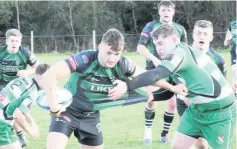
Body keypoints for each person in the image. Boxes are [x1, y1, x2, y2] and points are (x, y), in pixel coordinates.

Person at [41, 28, 187, 149]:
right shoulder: (84, 60)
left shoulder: (123, 64)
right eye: (108, 53)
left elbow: (149, 77)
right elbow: (50, 74)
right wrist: (54, 106)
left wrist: (173, 88)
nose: (112, 58)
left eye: (117, 54)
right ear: (99, 47)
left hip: (91, 117)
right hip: (68, 112)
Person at [110, 24, 236, 149]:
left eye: (161, 43)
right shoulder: (174, 60)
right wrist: (149, 96)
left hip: (221, 111)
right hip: (197, 110)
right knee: (178, 146)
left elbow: (156, 74)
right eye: (155, 45)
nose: (158, 49)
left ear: (175, 39)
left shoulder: (180, 53)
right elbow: (169, 91)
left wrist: (127, 86)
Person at [137, 0, 187, 144]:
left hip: (173, 70)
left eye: (169, 10)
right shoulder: (151, 26)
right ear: (159, 12)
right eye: (163, 10)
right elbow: (140, 47)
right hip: (154, 69)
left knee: (172, 104)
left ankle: (164, 134)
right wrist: (154, 59)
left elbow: (184, 49)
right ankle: (147, 133)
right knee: (151, 99)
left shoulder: (180, 29)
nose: (166, 13)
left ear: (173, 12)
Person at [176, 20, 227, 149]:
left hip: (207, 108)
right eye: (198, 33)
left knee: (202, 145)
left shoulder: (218, 60)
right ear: (193, 35)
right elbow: (176, 80)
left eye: (205, 34)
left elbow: (221, 88)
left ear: (211, 37)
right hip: (185, 104)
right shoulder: (181, 54)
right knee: (187, 144)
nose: (201, 37)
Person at [0, 28, 38, 148]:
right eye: (12, 41)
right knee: (10, 111)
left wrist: (27, 71)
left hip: (21, 87)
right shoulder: (1, 52)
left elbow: (37, 68)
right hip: (3, 86)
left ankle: (20, 133)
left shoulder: (25, 53)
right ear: (7, 41)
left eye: (17, 41)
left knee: (18, 112)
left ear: (20, 42)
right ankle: (20, 134)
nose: (14, 43)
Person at [0, 64, 50, 149]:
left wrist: (32, 123)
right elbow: (17, 114)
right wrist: (30, 132)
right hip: (2, 123)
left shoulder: (23, 79)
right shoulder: (32, 93)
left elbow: (23, 110)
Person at [224, 20, 236, 95]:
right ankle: (235, 91)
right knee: (235, 71)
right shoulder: (232, 24)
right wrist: (228, 39)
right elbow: (225, 43)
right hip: (234, 51)